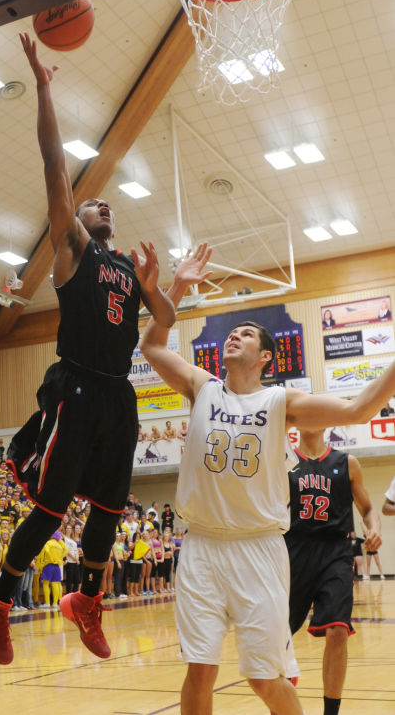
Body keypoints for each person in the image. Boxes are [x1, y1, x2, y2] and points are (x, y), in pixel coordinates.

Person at [0, 31, 174, 666]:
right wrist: (41, 86)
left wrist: (158, 288)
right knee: (51, 507)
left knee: (112, 506)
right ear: (74, 221)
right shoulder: (74, 253)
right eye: (92, 204)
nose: (102, 204)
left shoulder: (126, 268)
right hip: (79, 383)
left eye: (106, 203)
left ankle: (86, 600)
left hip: (118, 391)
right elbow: (53, 166)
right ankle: (0, 599)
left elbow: (164, 323)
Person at [140, 242, 395, 715]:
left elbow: (359, 408)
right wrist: (176, 286)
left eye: (245, 334)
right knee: (199, 668)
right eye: (230, 332)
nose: (233, 337)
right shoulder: (201, 386)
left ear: (265, 358)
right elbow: (152, 345)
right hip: (201, 548)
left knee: (263, 677)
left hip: (259, 548)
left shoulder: (281, 402)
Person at [286, 428, 382, 715]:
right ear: (298, 421)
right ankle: (283, 697)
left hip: (336, 553)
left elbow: (367, 508)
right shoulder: (284, 462)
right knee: (279, 637)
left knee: (338, 630)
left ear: (327, 421)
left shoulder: (347, 462)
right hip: (294, 553)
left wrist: (373, 527)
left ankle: (331, 712)